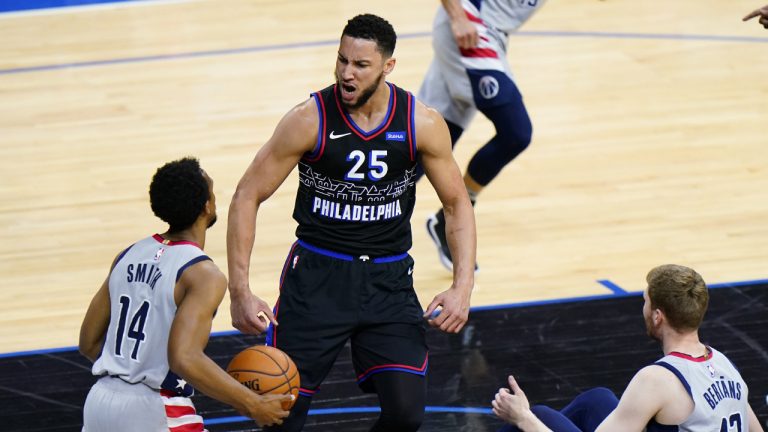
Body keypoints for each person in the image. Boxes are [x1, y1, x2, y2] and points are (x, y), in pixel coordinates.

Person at [226, 13, 477, 432]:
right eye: (342, 60)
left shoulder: (421, 123)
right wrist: (240, 290)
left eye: (360, 65)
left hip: (388, 281)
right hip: (317, 281)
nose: (346, 73)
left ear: (387, 67)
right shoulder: (309, 119)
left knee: (406, 414)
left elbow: (456, 204)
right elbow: (246, 195)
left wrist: (462, 287)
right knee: (282, 417)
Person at [79, 157, 290, 431]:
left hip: (99, 402)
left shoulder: (127, 255)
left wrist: (127, 371)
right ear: (207, 206)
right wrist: (252, 403)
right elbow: (184, 357)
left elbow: (88, 342)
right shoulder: (203, 275)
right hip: (154, 407)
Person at [491, 264, 765, 432]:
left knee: (537, 417)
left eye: (645, 301)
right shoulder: (725, 366)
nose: (643, 307)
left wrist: (523, 417)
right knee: (596, 400)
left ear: (657, 316)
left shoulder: (656, 380)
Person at [418, 0, 547, 271]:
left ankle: (360, 218)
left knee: (428, 140)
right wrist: (458, 17)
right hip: (469, 27)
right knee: (516, 132)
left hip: (489, 35)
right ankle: (452, 215)